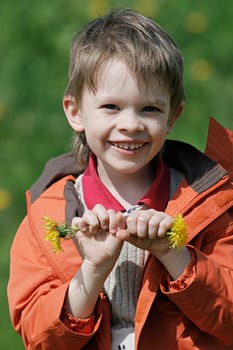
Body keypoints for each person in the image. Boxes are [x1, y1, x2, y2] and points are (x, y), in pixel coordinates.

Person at [7, 9, 233, 350]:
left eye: (149, 109)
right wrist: (93, 271)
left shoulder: (210, 205)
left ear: (173, 116)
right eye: (111, 107)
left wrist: (175, 255)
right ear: (75, 111)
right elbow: (40, 339)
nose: (131, 124)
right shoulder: (47, 218)